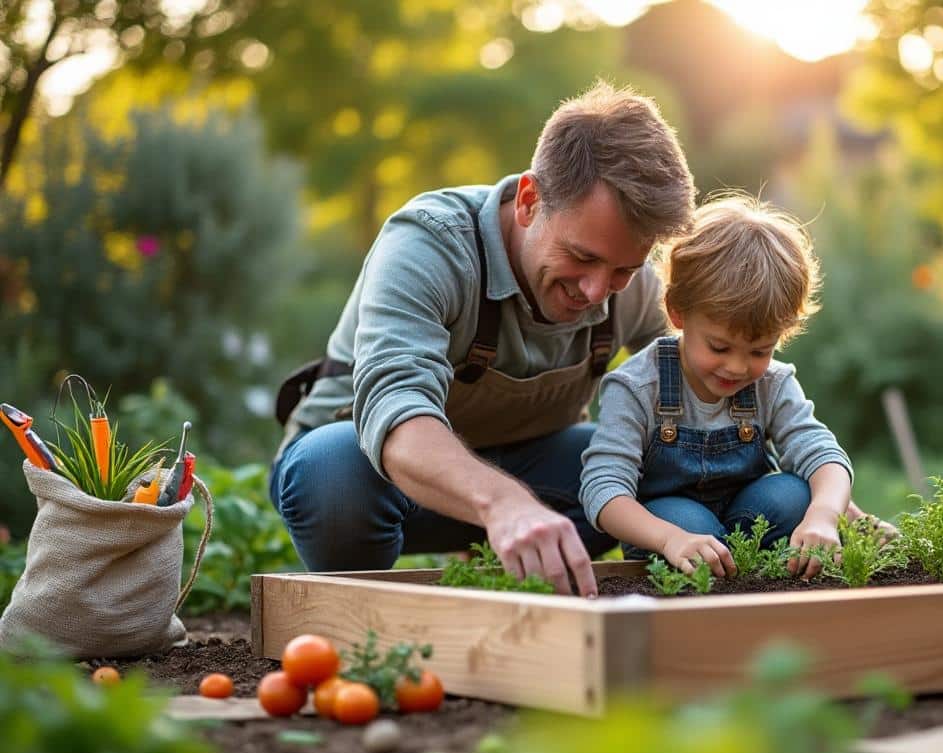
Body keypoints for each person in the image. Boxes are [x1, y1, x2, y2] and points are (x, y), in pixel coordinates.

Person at [270, 82, 696, 597]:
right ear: (529, 200)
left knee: (660, 459)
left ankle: (518, 586)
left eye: (624, 269)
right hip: (378, 484)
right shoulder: (430, 244)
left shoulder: (629, 285)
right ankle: (369, 625)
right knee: (331, 474)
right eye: (582, 258)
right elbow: (396, 407)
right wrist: (502, 503)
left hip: (532, 485)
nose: (596, 291)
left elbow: (696, 395)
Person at [579, 194, 853, 581]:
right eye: (719, 347)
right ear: (677, 311)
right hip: (671, 529)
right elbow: (603, 490)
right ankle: (718, 569)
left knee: (795, 495)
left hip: (747, 514)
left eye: (759, 350)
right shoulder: (639, 386)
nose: (738, 367)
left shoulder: (772, 382)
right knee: (694, 524)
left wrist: (824, 518)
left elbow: (822, 453)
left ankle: (752, 579)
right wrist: (670, 538)